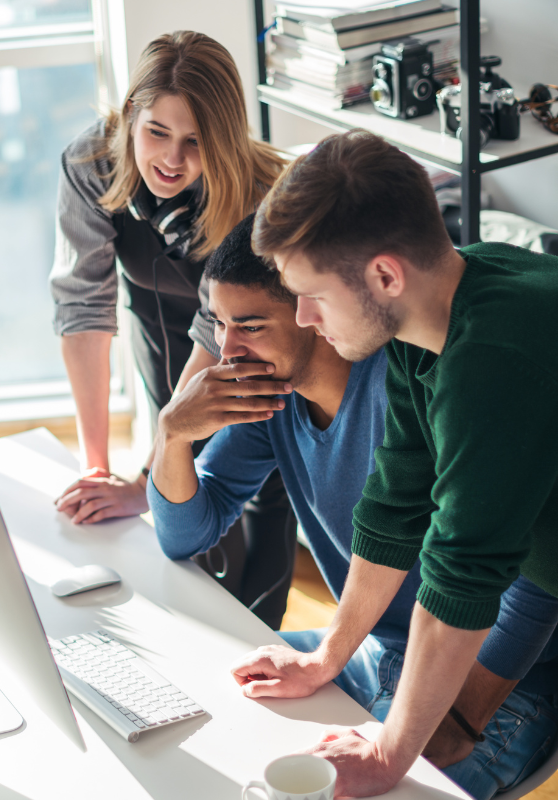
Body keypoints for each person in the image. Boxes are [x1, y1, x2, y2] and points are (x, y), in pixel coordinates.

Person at [148, 213, 558, 800]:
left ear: (313, 313)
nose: (226, 351)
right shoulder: (273, 395)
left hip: (491, 685)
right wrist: (173, 434)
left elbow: (529, 580)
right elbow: (184, 534)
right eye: (219, 325)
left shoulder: (435, 375)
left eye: (251, 325)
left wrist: (448, 725)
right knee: (193, 707)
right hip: (375, 650)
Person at [49, 31, 294, 626]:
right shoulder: (90, 166)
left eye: (195, 142)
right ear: (131, 114)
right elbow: (84, 310)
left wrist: (144, 483)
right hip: (158, 332)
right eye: (156, 132)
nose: (171, 160)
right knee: (179, 529)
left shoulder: (263, 198)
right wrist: (100, 468)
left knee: (252, 520)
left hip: (246, 349)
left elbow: (218, 335)